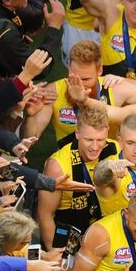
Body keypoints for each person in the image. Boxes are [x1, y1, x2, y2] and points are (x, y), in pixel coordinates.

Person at [37, 104, 120, 248]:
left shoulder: (115, 149)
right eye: (89, 140)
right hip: (69, 235)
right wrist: (55, 255)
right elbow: (45, 215)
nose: (95, 147)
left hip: (105, 232)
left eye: (100, 140)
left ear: (107, 132)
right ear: (77, 133)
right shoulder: (57, 165)